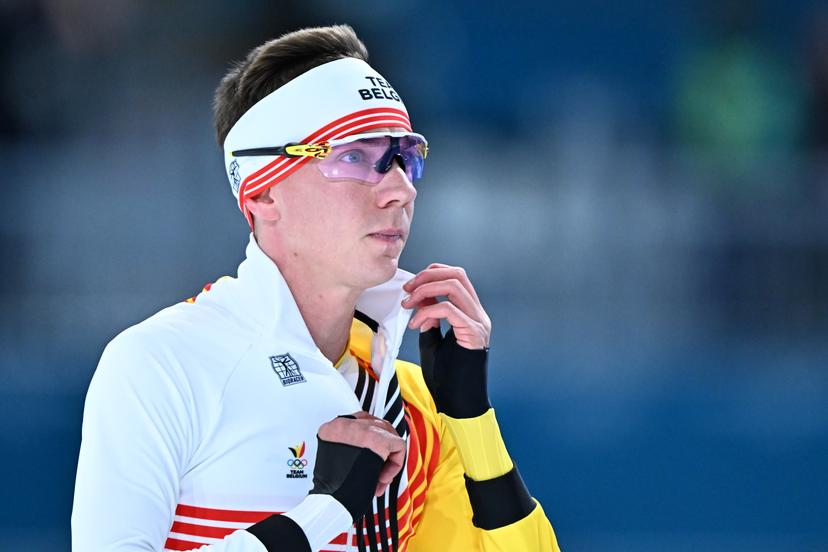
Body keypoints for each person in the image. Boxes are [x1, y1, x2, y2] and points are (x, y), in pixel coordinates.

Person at [71, 25, 561, 552]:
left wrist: (470, 419)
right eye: (354, 156)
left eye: (404, 157)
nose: (401, 189)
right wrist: (324, 513)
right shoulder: (161, 363)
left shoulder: (413, 404)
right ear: (263, 193)